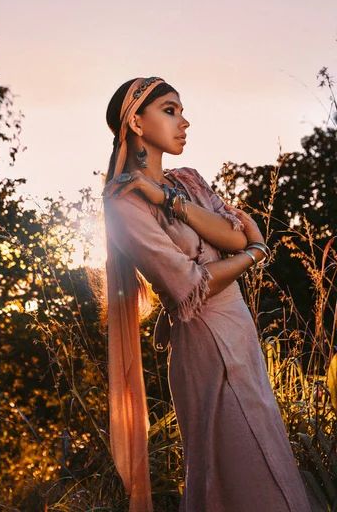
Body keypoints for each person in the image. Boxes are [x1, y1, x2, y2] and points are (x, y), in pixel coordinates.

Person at [101, 77, 312, 512]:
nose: (185, 121)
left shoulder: (187, 181)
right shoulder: (123, 202)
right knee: (235, 467)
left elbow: (231, 236)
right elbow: (188, 285)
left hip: (240, 333)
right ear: (136, 122)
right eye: (170, 110)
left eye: (181, 111)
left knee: (268, 448)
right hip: (204, 343)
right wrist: (256, 254)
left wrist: (169, 199)